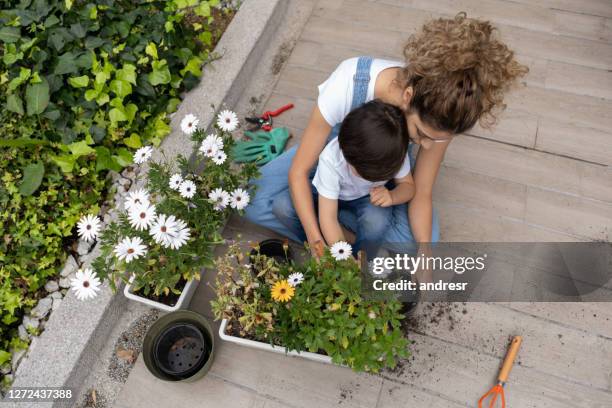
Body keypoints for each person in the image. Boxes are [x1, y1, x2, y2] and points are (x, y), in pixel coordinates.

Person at [244, 13, 528, 258]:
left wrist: (425, 253)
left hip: (383, 170)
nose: (426, 146)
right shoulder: (349, 82)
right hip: (336, 148)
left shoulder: (443, 117)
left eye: (436, 140)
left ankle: (332, 216)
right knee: (251, 201)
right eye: (421, 134)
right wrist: (319, 243)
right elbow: (299, 171)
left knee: (418, 241)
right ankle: (336, 224)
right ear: (407, 97)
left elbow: (421, 191)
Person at [312, 100, 415, 252]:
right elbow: (328, 218)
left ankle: (363, 255)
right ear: (347, 156)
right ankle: (338, 242)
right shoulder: (331, 160)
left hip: (366, 198)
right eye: (362, 174)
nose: (367, 179)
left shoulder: (395, 151)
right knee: (286, 208)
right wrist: (344, 257)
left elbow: (409, 187)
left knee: (376, 220)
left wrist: (392, 196)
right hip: (327, 194)